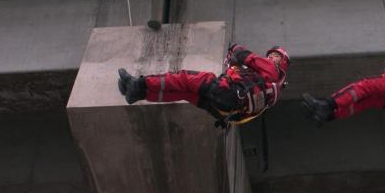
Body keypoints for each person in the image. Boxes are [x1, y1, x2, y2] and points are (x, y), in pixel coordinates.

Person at [117, 44, 289, 127]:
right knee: (184, 92)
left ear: (282, 63)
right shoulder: (270, 94)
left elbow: (247, 56)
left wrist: (236, 49)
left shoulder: (274, 72)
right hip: (224, 107)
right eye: (271, 55)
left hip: (226, 92)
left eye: (275, 56)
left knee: (183, 78)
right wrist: (226, 119)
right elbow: (248, 115)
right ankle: (139, 95)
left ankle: (138, 84)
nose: (271, 57)